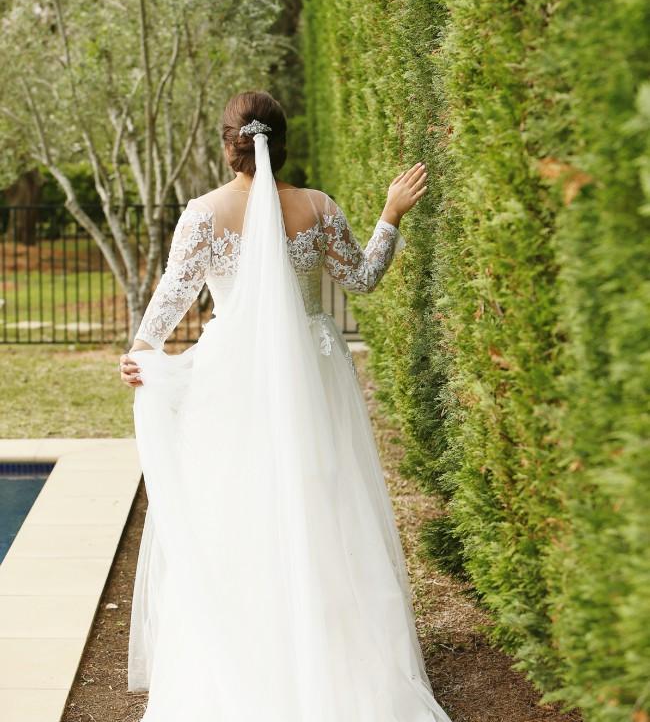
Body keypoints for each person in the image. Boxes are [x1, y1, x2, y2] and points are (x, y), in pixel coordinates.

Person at [119, 90, 452, 722]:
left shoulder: (203, 214)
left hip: (232, 377)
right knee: (320, 498)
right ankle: (327, 648)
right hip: (313, 371)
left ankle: (249, 651)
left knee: (236, 504)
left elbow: (171, 300)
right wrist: (391, 212)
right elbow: (362, 278)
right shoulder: (317, 207)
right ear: (284, 141)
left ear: (229, 144)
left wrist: (141, 351)